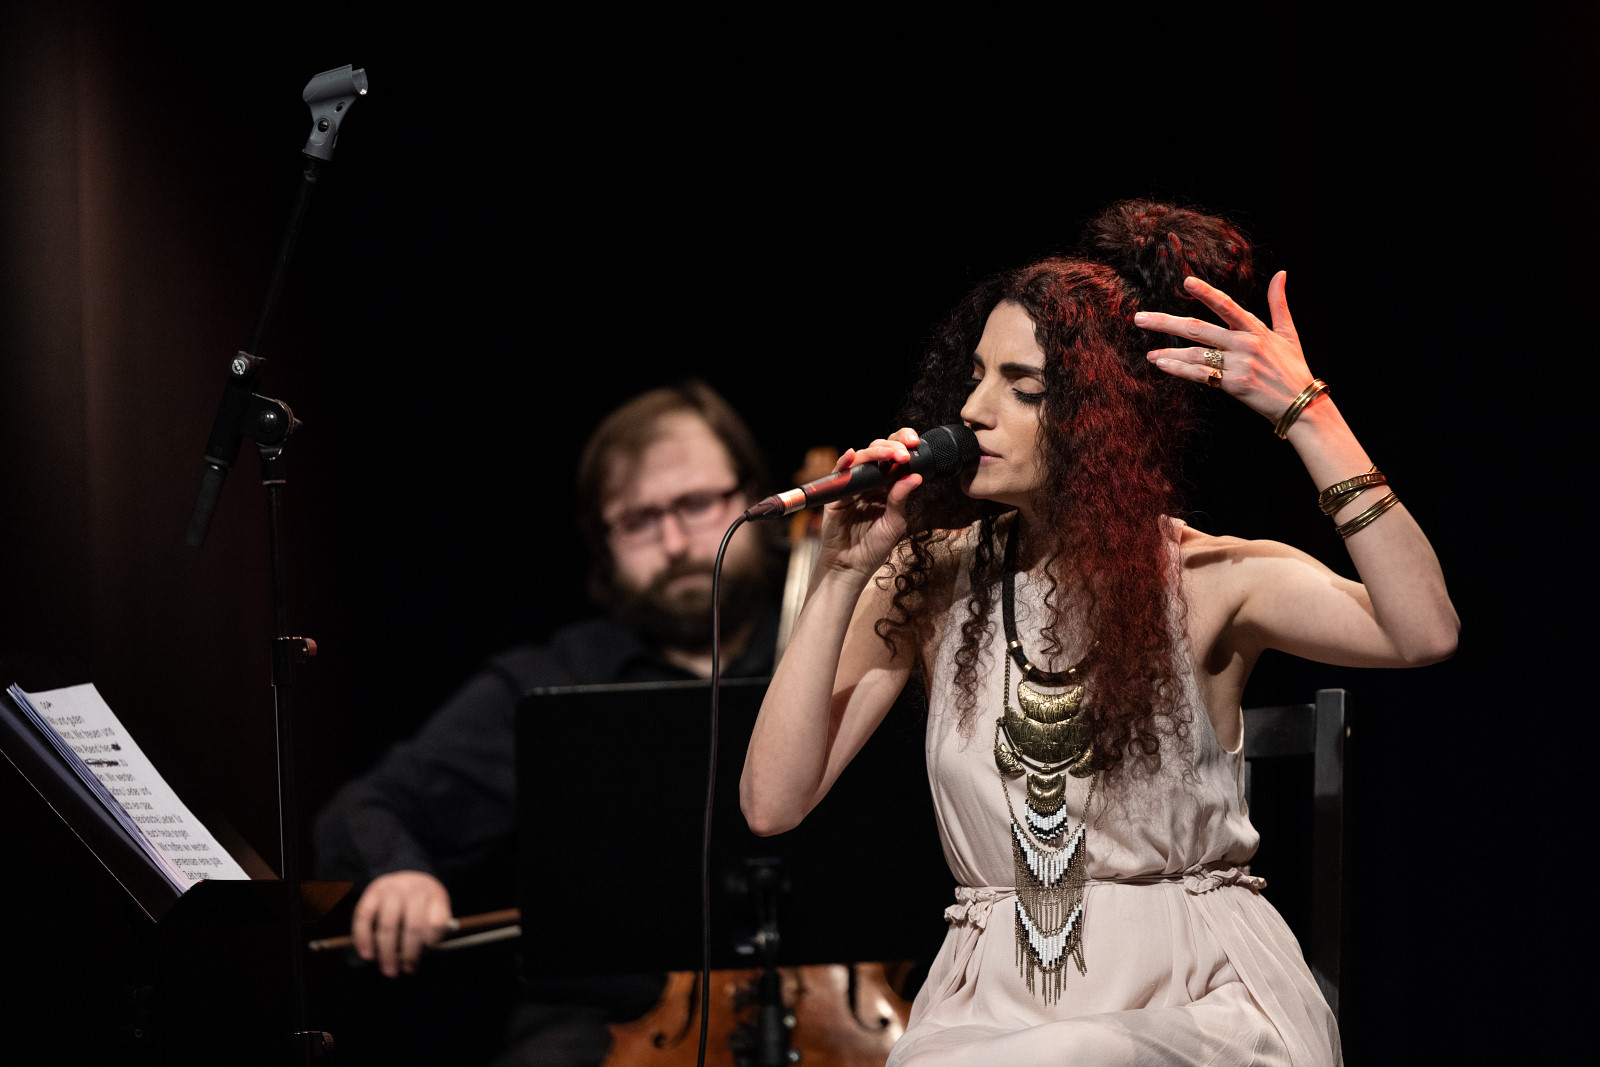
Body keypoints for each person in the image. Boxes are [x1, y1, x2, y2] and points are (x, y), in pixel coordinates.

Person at [740, 200, 1457, 1067]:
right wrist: (841, 573)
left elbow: (1423, 631)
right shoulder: (932, 576)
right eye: (977, 376)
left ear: (1102, 417)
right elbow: (771, 804)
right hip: (986, 1006)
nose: (974, 408)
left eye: (1024, 388)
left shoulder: (1207, 578)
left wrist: (1309, 414)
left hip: (1195, 999)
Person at [315, 381, 778, 1065]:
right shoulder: (549, 681)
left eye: (696, 503)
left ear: (752, 497)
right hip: (599, 1031)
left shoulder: (836, 649)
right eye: (639, 520)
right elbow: (365, 806)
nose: (675, 542)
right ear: (602, 541)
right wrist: (397, 872)